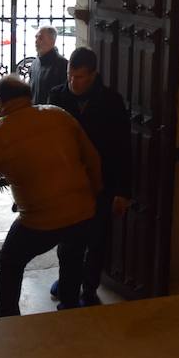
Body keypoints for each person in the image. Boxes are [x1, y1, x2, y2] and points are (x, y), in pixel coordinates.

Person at [0, 76, 102, 316]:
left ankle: (7, 317)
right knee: (72, 254)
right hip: (83, 210)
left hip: (40, 220)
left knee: (11, 260)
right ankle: (70, 308)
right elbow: (93, 159)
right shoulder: (58, 114)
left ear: (0, 102)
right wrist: (93, 195)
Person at [47, 47, 132, 305]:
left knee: (96, 240)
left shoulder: (111, 102)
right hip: (67, 183)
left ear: (94, 75)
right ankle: (68, 284)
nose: (74, 82)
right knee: (67, 240)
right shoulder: (57, 96)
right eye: (70, 75)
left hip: (101, 183)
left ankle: (89, 288)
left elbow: (122, 149)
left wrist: (123, 191)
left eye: (80, 77)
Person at [29, 26, 67, 104]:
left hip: (53, 114)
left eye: (41, 38)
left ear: (52, 41)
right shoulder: (34, 64)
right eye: (36, 37)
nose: (36, 41)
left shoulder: (62, 65)